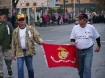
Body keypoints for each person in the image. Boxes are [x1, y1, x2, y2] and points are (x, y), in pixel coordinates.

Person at [11, 13, 44, 78]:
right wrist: (13, 54)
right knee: (20, 69)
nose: (22, 21)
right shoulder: (15, 31)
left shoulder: (30, 29)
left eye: (23, 19)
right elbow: (13, 43)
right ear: (18, 21)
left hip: (28, 51)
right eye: (20, 20)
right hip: (19, 52)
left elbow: (37, 36)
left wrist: (40, 41)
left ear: (25, 20)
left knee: (30, 68)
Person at [70, 13, 101, 78]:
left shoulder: (91, 27)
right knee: (80, 69)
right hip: (78, 51)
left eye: (80, 19)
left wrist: (99, 46)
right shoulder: (75, 27)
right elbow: (72, 37)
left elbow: (97, 36)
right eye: (78, 18)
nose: (79, 20)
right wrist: (72, 42)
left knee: (87, 68)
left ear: (85, 20)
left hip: (88, 51)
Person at [0, 10, 13, 78]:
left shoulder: (8, 24)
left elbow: (12, 34)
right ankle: (1, 73)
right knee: (0, 60)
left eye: (0, 15)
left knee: (8, 59)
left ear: (3, 16)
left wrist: (12, 43)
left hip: (7, 45)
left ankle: (9, 68)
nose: (0, 17)